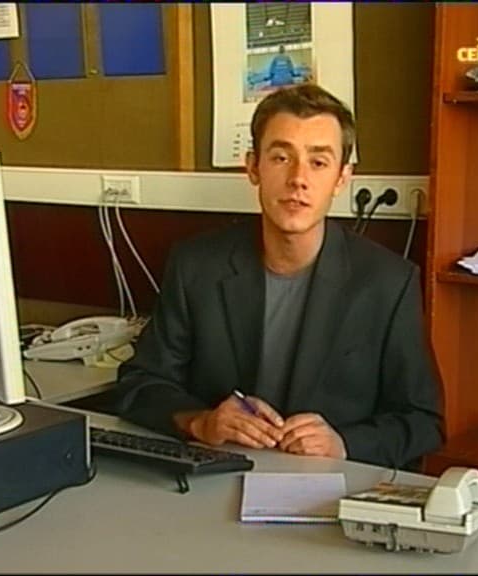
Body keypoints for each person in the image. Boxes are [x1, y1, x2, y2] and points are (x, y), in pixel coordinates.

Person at [113, 84, 443, 469]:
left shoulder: (388, 282)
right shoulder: (196, 266)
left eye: (318, 162)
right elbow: (139, 385)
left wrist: (343, 444)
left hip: (328, 486)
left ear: (342, 178)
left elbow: (424, 421)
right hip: (217, 479)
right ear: (253, 167)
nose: (298, 179)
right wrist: (202, 422)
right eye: (281, 157)